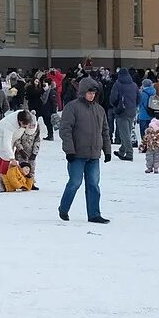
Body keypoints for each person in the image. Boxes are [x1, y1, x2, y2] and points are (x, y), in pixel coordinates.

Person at [58, 76, 111, 224]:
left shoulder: (99, 110)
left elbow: (105, 131)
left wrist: (107, 150)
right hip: (77, 154)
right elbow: (65, 130)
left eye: (94, 93)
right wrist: (69, 150)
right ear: (82, 92)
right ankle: (64, 208)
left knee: (93, 185)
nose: (91, 95)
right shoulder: (72, 107)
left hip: (94, 154)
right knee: (75, 182)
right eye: (89, 93)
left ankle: (94, 214)